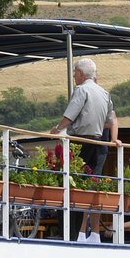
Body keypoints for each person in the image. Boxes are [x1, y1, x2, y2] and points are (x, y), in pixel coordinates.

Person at [47, 58, 119, 241]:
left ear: (80, 73)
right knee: (92, 185)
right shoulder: (104, 93)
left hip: (81, 142)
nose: (74, 76)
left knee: (74, 184)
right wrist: (113, 139)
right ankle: (90, 233)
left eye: (75, 73)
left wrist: (56, 129)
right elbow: (111, 121)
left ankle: (74, 233)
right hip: (98, 143)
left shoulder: (81, 90)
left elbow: (69, 116)